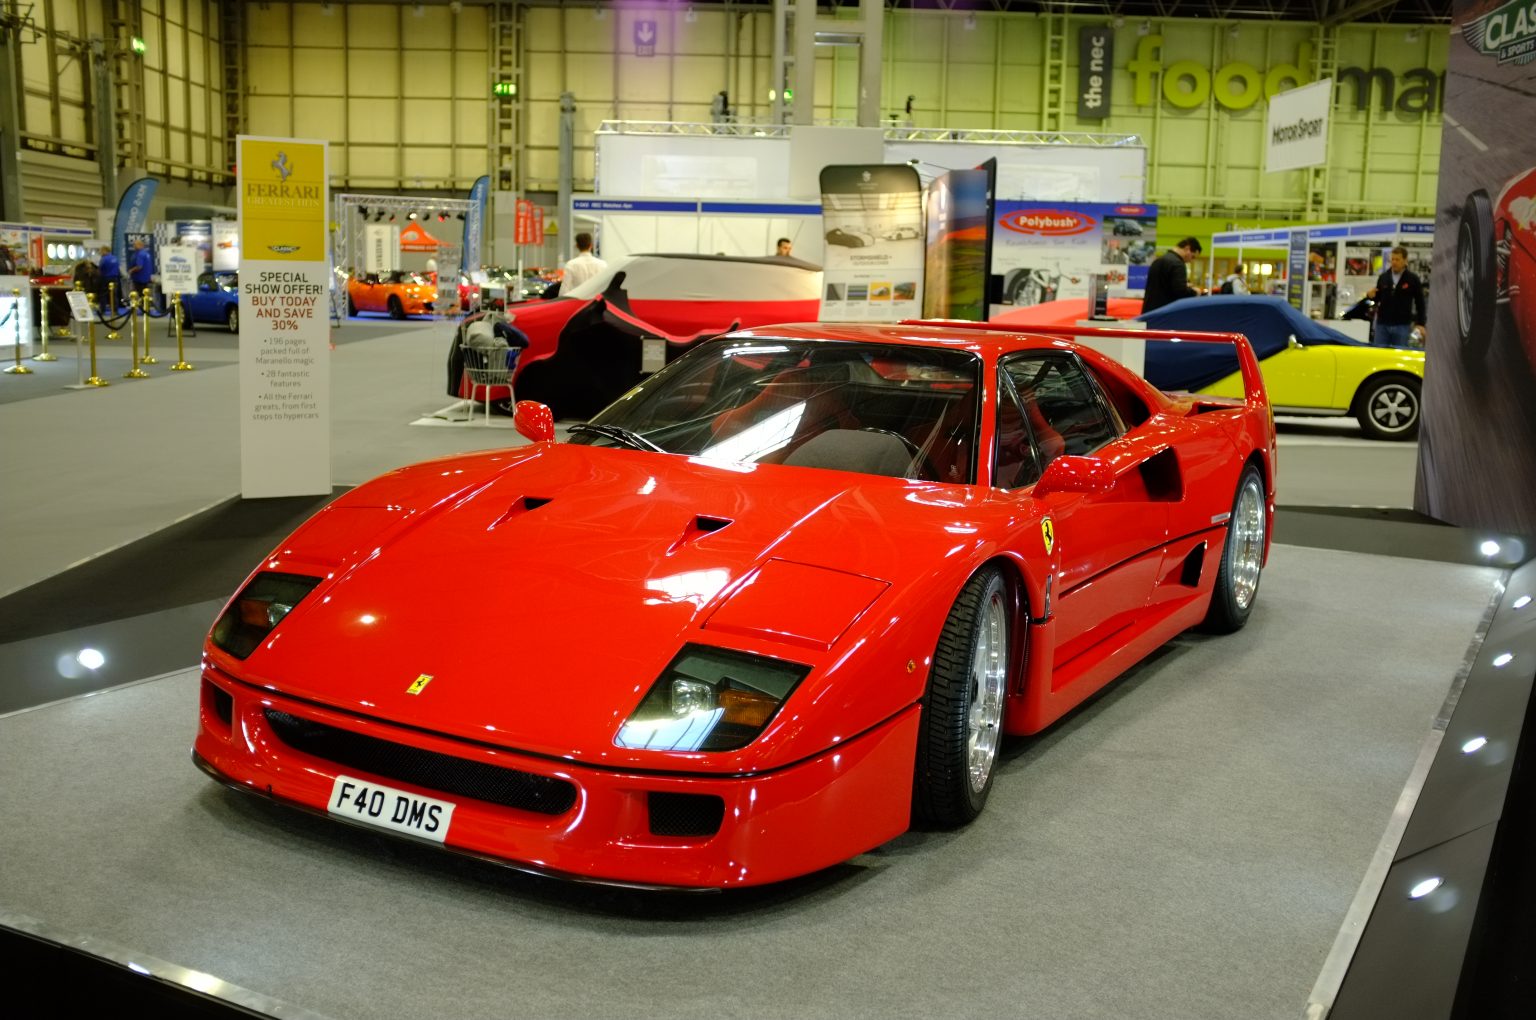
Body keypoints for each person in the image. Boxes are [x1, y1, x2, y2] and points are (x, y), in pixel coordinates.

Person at [1366, 246, 1426, 347]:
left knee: (1400, 355)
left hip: (1402, 326)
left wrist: (1420, 323)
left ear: (1405, 260)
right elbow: (1377, 299)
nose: (1394, 262)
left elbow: (1420, 302)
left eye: (1397, 259)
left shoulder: (1412, 279)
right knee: (1379, 355)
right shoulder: (1383, 278)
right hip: (1382, 326)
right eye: (1392, 259)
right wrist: (1370, 296)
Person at [1142, 236, 1202, 313]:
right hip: (1164, 313)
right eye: (1193, 257)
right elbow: (1180, 291)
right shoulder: (1178, 264)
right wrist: (1194, 292)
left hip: (1149, 311)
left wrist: (1184, 285)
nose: (1191, 261)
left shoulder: (1158, 260)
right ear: (1187, 248)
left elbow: (1162, 285)